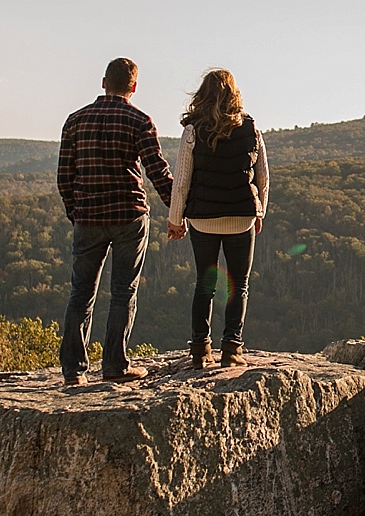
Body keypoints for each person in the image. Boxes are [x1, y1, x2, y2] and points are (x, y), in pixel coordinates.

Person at [56, 57, 175, 386]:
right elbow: (158, 173)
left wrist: (75, 211)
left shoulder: (75, 121)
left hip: (88, 216)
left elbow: (64, 176)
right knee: (123, 291)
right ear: (134, 87)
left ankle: (73, 371)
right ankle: (115, 366)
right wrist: (177, 211)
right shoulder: (139, 120)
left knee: (81, 292)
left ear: (104, 82)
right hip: (128, 215)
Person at [165, 69, 268, 371]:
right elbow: (262, 177)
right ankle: (232, 350)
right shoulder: (251, 129)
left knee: (205, 284)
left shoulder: (193, 131)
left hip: (203, 220)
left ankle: (200, 350)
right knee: (239, 284)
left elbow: (182, 179)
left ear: (203, 94)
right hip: (241, 218)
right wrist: (259, 211)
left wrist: (175, 219)